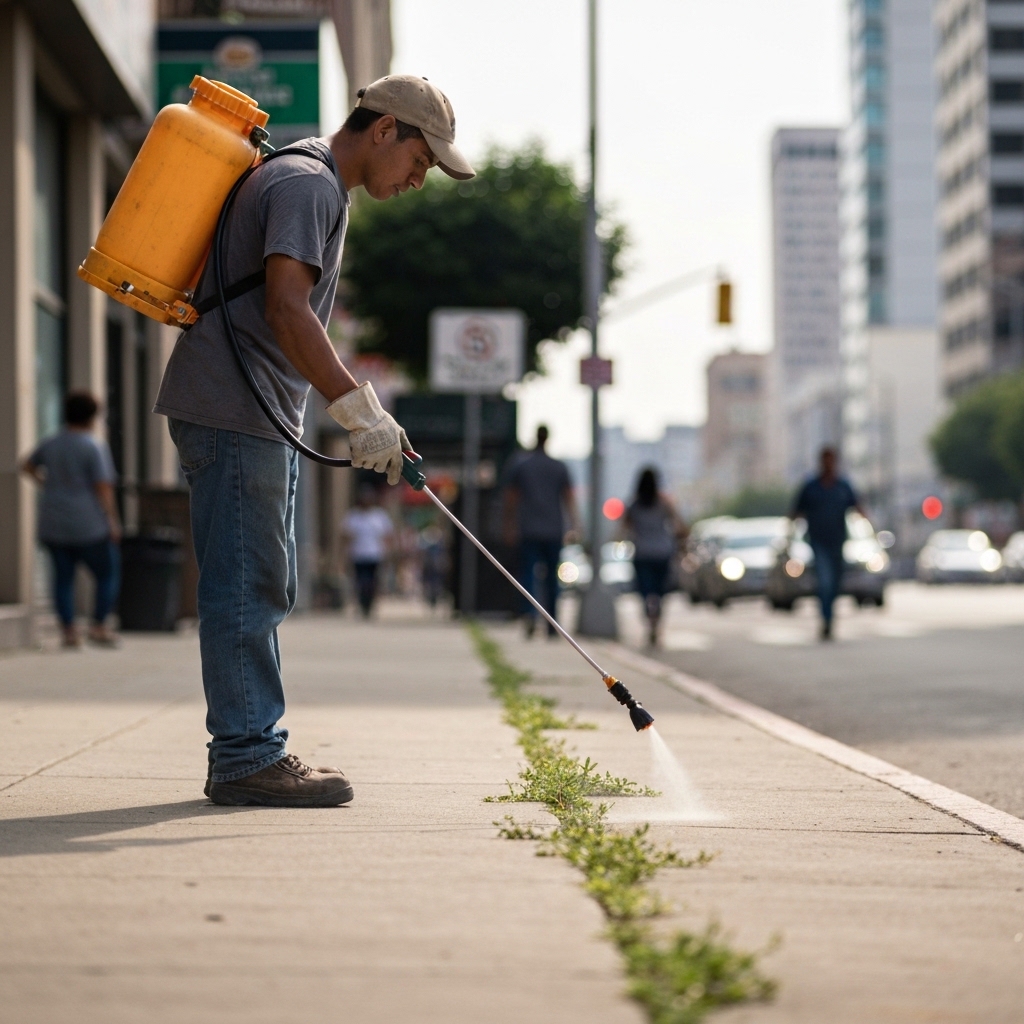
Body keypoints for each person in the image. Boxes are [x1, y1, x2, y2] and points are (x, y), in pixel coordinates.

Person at [153, 75, 474, 807]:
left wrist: (348, 411)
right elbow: (287, 309)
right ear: (385, 129)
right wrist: (359, 413)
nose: (419, 181)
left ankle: (251, 746)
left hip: (247, 409)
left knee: (262, 582)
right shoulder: (309, 184)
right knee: (245, 588)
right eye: (421, 162)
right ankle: (245, 757)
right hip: (236, 408)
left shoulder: (310, 179)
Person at [21, 392, 121, 648]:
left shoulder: (52, 443)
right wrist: (112, 520)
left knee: (62, 578)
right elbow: (103, 486)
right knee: (107, 571)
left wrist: (46, 483)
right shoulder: (93, 445)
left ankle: (69, 630)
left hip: (54, 521)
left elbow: (27, 465)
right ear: (91, 417)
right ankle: (98, 625)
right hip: (88, 524)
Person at [502, 425, 580, 638]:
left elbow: (511, 498)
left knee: (528, 573)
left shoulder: (521, 465)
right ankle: (551, 622)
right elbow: (569, 498)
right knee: (552, 578)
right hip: (553, 529)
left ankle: (529, 614)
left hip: (528, 528)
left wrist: (509, 524)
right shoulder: (558, 467)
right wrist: (574, 526)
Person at [791, 446, 863, 640]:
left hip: (838, 541)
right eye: (826, 460)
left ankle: (829, 614)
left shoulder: (842, 486)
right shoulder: (811, 487)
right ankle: (826, 619)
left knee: (835, 583)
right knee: (825, 581)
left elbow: (857, 507)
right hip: (818, 542)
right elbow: (796, 511)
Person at [624, 467, 686, 647]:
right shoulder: (664, 503)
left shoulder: (633, 505)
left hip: (642, 553)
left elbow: (624, 529)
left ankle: (649, 619)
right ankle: (656, 624)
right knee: (660, 592)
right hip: (662, 552)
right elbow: (679, 525)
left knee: (644, 591)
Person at [341, 484, 394, 617]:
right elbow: (346, 537)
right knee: (360, 582)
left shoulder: (379, 516)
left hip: (375, 555)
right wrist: (344, 555)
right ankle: (361, 604)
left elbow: (387, 536)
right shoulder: (353, 516)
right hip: (358, 555)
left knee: (372, 582)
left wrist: (388, 554)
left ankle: (370, 604)